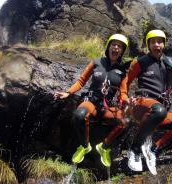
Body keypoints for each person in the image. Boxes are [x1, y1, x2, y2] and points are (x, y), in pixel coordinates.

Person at [119, 29, 172, 175]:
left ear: (164, 44)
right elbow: (125, 81)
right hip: (141, 105)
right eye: (153, 42)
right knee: (159, 110)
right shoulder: (140, 62)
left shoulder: (171, 62)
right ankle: (135, 149)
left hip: (159, 112)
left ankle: (154, 150)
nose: (157, 45)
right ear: (148, 45)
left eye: (160, 41)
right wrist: (124, 99)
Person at [53, 34, 131, 167]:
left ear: (122, 51)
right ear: (109, 46)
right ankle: (85, 146)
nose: (116, 48)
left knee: (125, 121)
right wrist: (68, 92)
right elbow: (81, 81)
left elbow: (123, 92)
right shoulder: (96, 62)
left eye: (120, 46)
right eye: (114, 45)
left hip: (107, 107)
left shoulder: (123, 71)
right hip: (92, 102)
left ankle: (104, 147)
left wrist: (126, 101)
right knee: (79, 115)